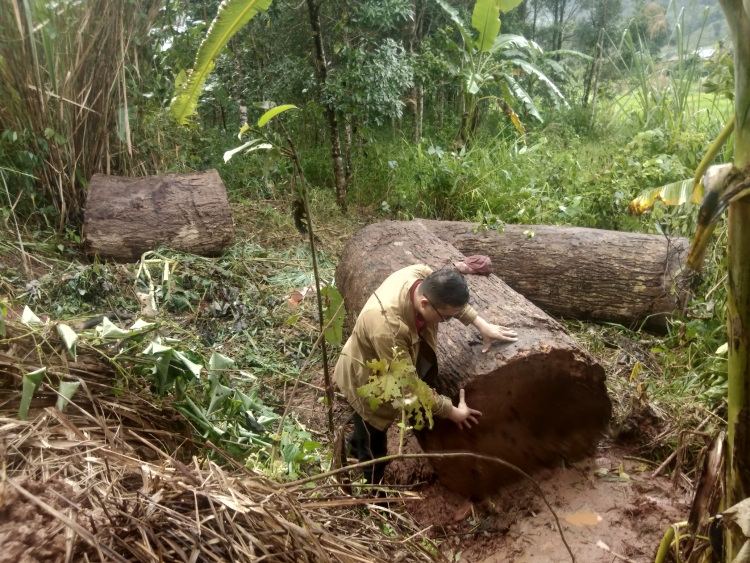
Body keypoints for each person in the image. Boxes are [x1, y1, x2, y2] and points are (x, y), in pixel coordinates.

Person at [334, 264, 518, 485]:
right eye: (446, 318)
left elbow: (451, 303)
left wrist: (481, 324)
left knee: (364, 433)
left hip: (387, 364)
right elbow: (407, 386)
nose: (448, 321)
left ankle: (354, 445)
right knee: (374, 444)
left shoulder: (422, 275)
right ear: (424, 304)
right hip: (366, 379)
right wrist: (450, 411)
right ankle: (373, 492)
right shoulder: (388, 328)